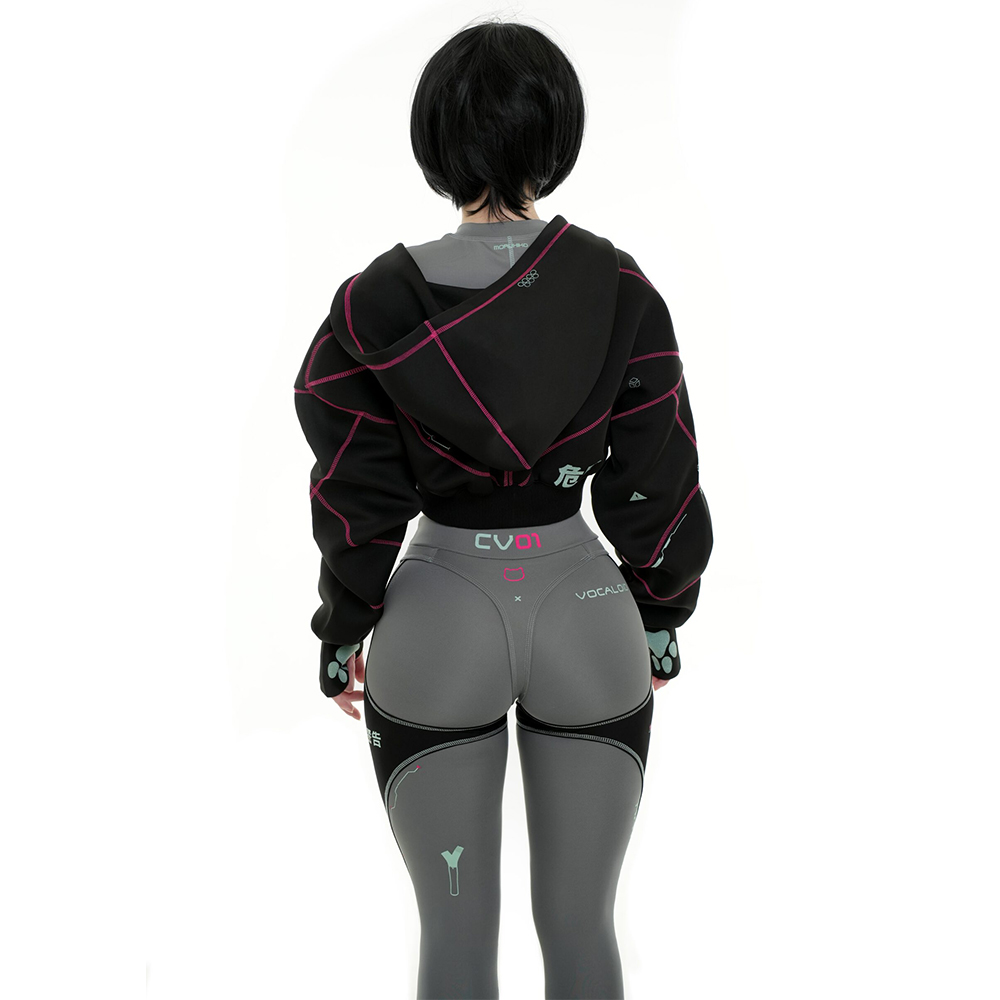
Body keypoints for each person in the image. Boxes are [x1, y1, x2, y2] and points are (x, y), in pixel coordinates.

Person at [292, 18, 713, 1000]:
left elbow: (355, 490)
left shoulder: (372, 307)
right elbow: (657, 475)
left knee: (453, 932)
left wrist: (343, 627)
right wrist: (658, 617)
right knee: (581, 926)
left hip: (436, 617)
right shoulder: (620, 289)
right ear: (556, 138)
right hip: (585, 618)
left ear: (433, 142)